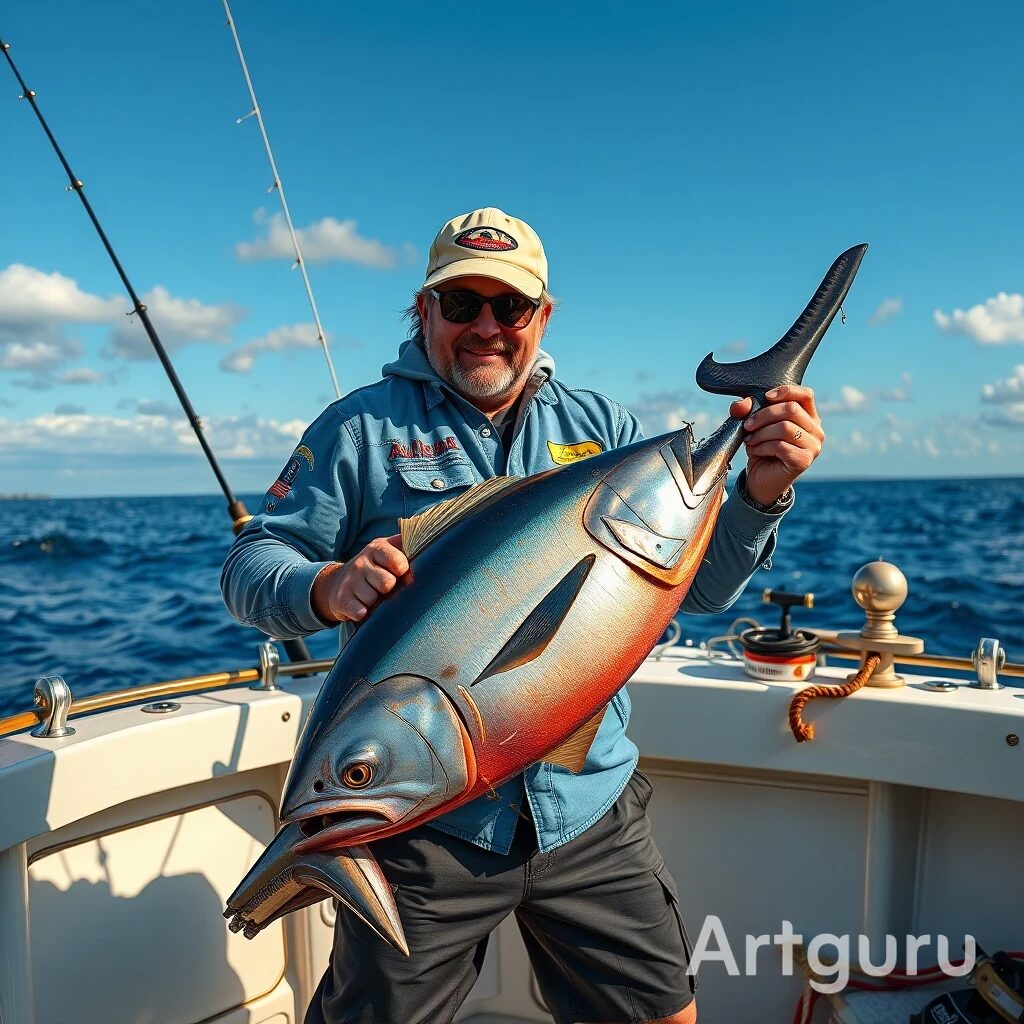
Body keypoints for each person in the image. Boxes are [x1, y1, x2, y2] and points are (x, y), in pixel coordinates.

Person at [221, 208, 825, 1024]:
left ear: (542, 317)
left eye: (509, 308)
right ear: (423, 310)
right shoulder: (359, 432)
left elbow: (701, 589)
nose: (486, 328)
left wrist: (759, 493)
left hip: (586, 809)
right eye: (461, 303)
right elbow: (251, 565)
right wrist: (328, 585)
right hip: (425, 828)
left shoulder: (601, 429)